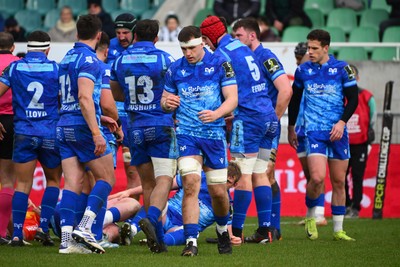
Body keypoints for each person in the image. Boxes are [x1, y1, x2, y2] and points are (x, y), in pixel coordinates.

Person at [200, 16, 278, 245]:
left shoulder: (221, 54)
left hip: (249, 122)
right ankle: (264, 231)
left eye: (205, 39)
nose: (205, 44)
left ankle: (235, 232)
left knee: (242, 175)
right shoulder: (242, 47)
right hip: (268, 117)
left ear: (212, 35)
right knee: (260, 172)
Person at [162, 25, 238, 256]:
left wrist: (217, 114)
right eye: (184, 48)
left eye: (192, 48)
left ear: (202, 43)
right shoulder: (175, 69)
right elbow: (164, 100)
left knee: (217, 192)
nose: (188, 53)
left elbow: (232, 98)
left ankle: (222, 229)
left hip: (214, 136)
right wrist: (167, 103)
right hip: (187, 134)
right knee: (191, 185)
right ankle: (191, 241)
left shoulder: (220, 65)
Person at [110, 19, 178, 254]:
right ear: (157, 38)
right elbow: (176, 89)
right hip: (161, 125)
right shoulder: (165, 59)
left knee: (147, 184)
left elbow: (116, 92)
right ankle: (149, 218)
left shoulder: (120, 59)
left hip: (135, 127)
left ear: (135, 35)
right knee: (165, 180)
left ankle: (157, 240)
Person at [288, 29, 358, 241]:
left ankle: (338, 230)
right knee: (317, 177)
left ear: (326, 48)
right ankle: (311, 215)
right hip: (313, 132)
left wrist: (341, 122)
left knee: (338, 181)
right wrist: (291, 127)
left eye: (314, 48)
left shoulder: (343, 69)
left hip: (338, 132)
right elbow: (295, 100)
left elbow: (353, 100)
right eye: (308, 47)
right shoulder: (303, 71)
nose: (309, 52)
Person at [57, 14, 116, 254]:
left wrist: (99, 116)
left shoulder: (65, 58)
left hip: (63, 125)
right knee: (107, 179)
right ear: (99, 35)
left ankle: (65, 241)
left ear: (76, 33)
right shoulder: (91, 60)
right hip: (82, 127)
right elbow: (83, 97)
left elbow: (70, 98)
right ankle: (85, 227)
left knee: (72, 182)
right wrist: (96, 132)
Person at [232, 17, 292, 242]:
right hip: (256, 123)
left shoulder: (265, 57)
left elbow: (285, 91)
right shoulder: (244, 57)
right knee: (261, 172)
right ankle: (267, 230)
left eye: (238, 36)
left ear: (252, 35)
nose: (236, 40)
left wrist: (273, 118)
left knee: (261, 172)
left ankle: (268, 227)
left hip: (262, 125)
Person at [0, 31, 62, 247]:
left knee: (23, 184)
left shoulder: (15, 67)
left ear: (28, 48)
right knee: (53, 180)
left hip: (24, 131)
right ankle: (44, 230)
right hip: (49, 132)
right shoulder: (56, 68)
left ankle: (16, 234)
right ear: (47, 49)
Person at [114, 161, 242, 247]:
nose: (221, 183)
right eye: (221, 178)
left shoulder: (225, 205)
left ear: (234, 185)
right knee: (155, 202)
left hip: (181, 227)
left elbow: (226, 229)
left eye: (228, 182)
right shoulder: (198, 177)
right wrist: (130, 191)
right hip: (166, 214)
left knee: (192, 233)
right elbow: (163, 186)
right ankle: (132, 230)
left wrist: (233, 238)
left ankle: (158, 241)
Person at [292, 42, 328, 227]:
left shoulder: (320, 74)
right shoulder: (301, 75)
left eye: (301, 58)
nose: (299, 63)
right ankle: (311, 214)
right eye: (297, 60)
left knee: (317, 175)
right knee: (310, 175)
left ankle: (320, 214)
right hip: (301, 130)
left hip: (316, 128)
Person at [108, 12, 141, 194]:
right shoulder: (108, 48)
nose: (121, 37)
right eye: (118, 32)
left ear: (134, 31)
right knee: (104, 173)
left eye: (125, 33)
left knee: (132, 170)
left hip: (131, 117)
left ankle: (132, 219)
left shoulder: (141, 49)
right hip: (109, 117)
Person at [345, 64, 376, 219]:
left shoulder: (366, 96)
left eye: (352, 77)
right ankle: (346, 204)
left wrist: (370, 131)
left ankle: (355, 208)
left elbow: (373, 116)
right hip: (342, 142)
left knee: (357, 176)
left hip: (360, 143)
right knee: (340, 176)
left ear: (357, 78)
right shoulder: (339, 95)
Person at [0, 32, 20, 245]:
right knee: (7, 181)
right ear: (13, 47)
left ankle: (10, 227)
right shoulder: (18, 65)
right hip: (10, 123)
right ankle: (2, 232)